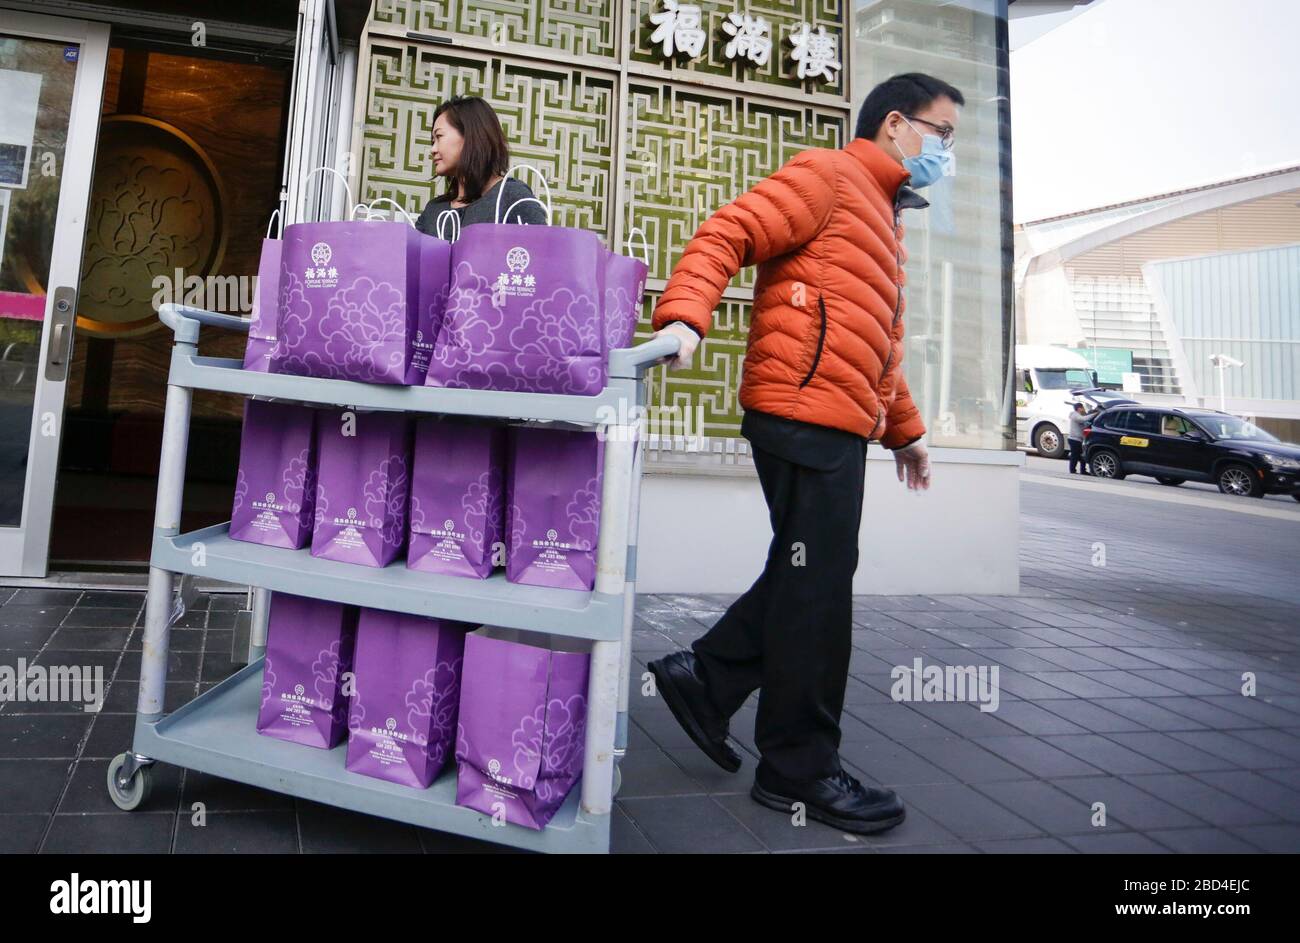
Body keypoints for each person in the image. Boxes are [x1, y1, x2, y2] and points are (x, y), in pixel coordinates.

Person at [643, 73, 964, 835]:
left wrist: (906, 431)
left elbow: (877, 349)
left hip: (835, 417)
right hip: (799, 410)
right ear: (897, 123)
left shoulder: (885, 216)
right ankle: (797, 768)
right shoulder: (829, 176)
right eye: (943, 135)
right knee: (818, 593)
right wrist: (686, 316)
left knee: (809, 578)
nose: (948, 154)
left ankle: (707, 679)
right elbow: (729, 231)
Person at [414, 96, 548, 235]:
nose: (433, 149)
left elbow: (542, 252)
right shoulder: (433, 211)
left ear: (471, 135)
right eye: (432, 141)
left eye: (439, 136)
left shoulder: (511, 197)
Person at [1068, 402, 1089, 474]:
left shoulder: (1079, 415)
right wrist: (1095, 414)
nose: (1083, 409)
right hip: (1074, 439)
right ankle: (1073, 470)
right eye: (1083, 408)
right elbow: (1083, 419)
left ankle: (1083, 470)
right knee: (1075, 455)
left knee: (1081, 455)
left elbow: (1085, 424)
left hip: (1079, 439)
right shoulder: (1075, 415)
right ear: (1079, 408)